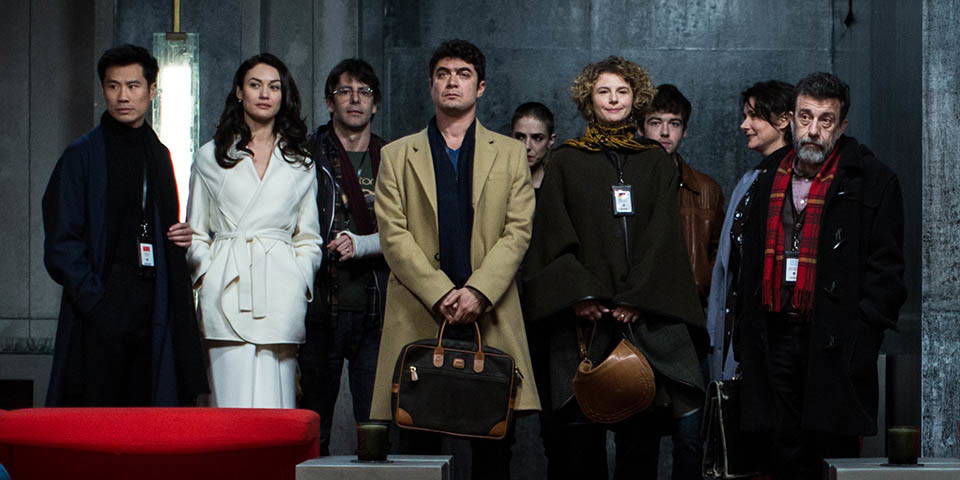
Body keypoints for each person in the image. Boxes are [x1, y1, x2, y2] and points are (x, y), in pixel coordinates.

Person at [523, 56, 704, 479]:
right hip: (583, 324)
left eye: (622, 91)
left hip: (641, 320)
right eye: (603, 91)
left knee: (639, 440)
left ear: (635, 98)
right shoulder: (566, 161)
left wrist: (637, 299)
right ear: (589, 98)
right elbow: (551, 235)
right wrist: (580, 297)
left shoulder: (655, 161)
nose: (613, 99)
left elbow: (664, 238)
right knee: (579, 445)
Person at [368, 39, 539, 479]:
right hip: (420, 311)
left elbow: (518, 231)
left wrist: (479, 290)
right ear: (431, 85)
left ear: (480, 87)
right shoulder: (396, 155)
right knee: (416, 447)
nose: (452, 82)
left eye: (463, 74)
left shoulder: (510, 152)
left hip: (490, 310)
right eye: (443, 74)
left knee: (494, 448)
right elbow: (393, 234)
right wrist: (441, 292)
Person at [734, 72, 906, 479]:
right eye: (805, 117)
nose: (813, 130)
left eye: (825, 120)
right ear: (791, 119)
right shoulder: (767, 177)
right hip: (774, 335)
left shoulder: (872, 180)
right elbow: (747, 265)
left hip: (834, 342)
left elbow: (887, 272)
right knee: (777, 454)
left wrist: (861, 337)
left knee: (830, 457)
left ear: (841, 126)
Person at [42, 44, 207, 406]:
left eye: (133, 86)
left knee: (148, 415)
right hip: (98, 306)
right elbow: (61, 242)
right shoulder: (81, 155)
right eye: (113, 86)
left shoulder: (158, 154)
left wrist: (177, 234)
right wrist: (95, 302)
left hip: (152, 305)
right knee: (95, 416)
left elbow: (154, 222)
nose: (123, 97)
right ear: (103, 90)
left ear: (152, 90)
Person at [186, 53, 322, 408]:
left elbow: (309, 237)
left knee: (277, 407)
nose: (264, 94)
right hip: (225, 288)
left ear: (283, 95)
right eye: (255, 85)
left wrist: (298, 276)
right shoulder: (210, 156)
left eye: (274, 87)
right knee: (229, 409)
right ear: (239, 92)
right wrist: (209, 273)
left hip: (280, 290)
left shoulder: (300, 161)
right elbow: (196, 231)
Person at [299, 58, 389, 455]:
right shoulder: (304, 156)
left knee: (376, 428)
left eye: (364, 92)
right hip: (319, 308)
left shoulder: (392, 158)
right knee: (311, 425)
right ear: (329, 102)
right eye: (344, 91)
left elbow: (410, 233)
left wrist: (364, 243)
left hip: (377, 311)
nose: (355, 100)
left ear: (376, 104)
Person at [640, 83, 723, 480]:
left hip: (689, 330)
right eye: (655, 122)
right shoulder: (625, 186)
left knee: (691, 439)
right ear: (641, 127)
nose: (664, 132)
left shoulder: (705, 190)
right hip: (639, 327)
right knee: (638, 440)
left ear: (685, 131)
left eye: (673, 123)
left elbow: (718, 263)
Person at [706, 80, 795, 382]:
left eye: (754, 116)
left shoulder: (791, 180)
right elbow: (728, 264)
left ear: (783, 120)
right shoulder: (752, 178)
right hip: (739, 318)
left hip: (770, 329)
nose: (744, 125)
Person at [510, 102, 557, 190]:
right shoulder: (497, 182)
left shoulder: (559, 186)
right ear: (510, 137)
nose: (527, 146)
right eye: (520, 137)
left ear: (550, 140)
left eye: (537, 138)